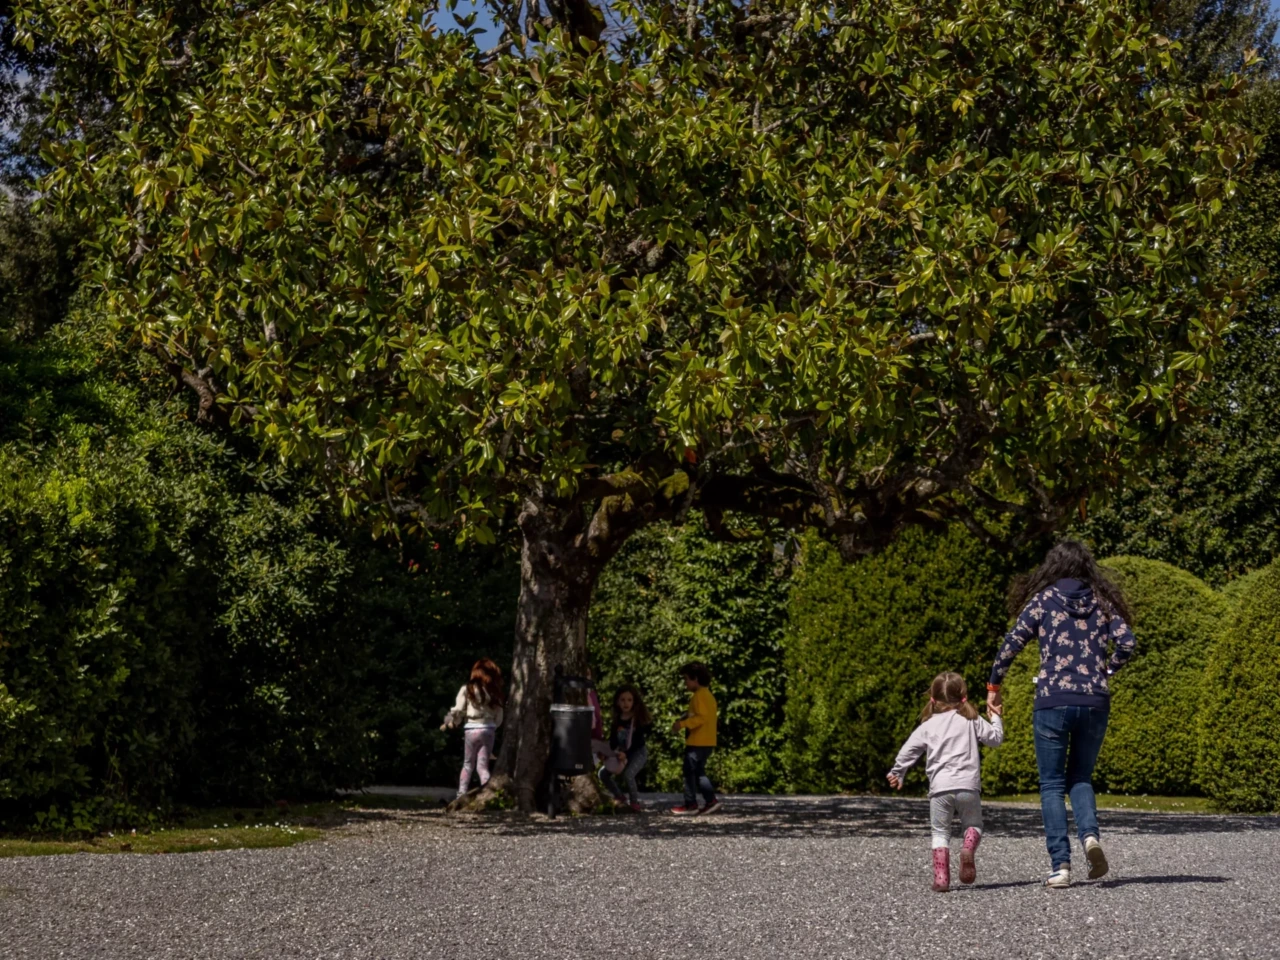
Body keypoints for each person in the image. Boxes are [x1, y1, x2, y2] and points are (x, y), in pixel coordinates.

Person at [988, 539, 1136, 888]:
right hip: (1095, 700)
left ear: (1053, 567)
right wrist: (1107, 671)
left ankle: (1061, 866)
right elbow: (1127, 642)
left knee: (1052, 784)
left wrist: (994, 686)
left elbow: (1011, 644)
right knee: (1081, 777)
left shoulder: (1044, 600)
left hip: (1052, 700)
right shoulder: (1102, 602)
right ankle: (1090, 838)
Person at [888, 672, 1004, 892]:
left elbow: (909, 750)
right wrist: (996, 716)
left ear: (933, 698)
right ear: (963, 696)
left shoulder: (928, 725)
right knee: (973, 825)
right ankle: (967, 847)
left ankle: (941, 879)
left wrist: (898, 772)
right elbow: (996, 739)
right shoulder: (972, 720)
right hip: (968, 787)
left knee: (940, 832)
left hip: (940, 789)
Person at [441, 658, 506, 798]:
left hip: (471, 729)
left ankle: (461, 794)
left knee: (467, 764)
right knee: (482, 766)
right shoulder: (495, 692)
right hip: (488, 730)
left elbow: (458, 709)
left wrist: (454, 721)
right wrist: (493, 726)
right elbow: (499, 718)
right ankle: (488, 795)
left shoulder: (467, 689)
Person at [670, 662, 720, 816]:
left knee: (690, 772)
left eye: (686, 679)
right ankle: (709, 801)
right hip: (707, 741)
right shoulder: (707, 695)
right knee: (698, 772)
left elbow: (701, 718)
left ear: (696, 678)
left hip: (698, 741)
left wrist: (682, 724)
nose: (685, 683)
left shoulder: (699, 696)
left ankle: (692, 803)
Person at [599, 684, 653, 812]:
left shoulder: (637, 720)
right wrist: (606, 753)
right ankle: (619, 796)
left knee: (629, 774)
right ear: (617, 702)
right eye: (622, 700)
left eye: (629, 700)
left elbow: (638, 742)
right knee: (602, 773)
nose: (626, 703)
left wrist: (627, 754)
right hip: (621, 753)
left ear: (634, 702)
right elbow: (613, 741)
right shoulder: (617, 719)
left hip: (637, 753)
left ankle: (634, 802)